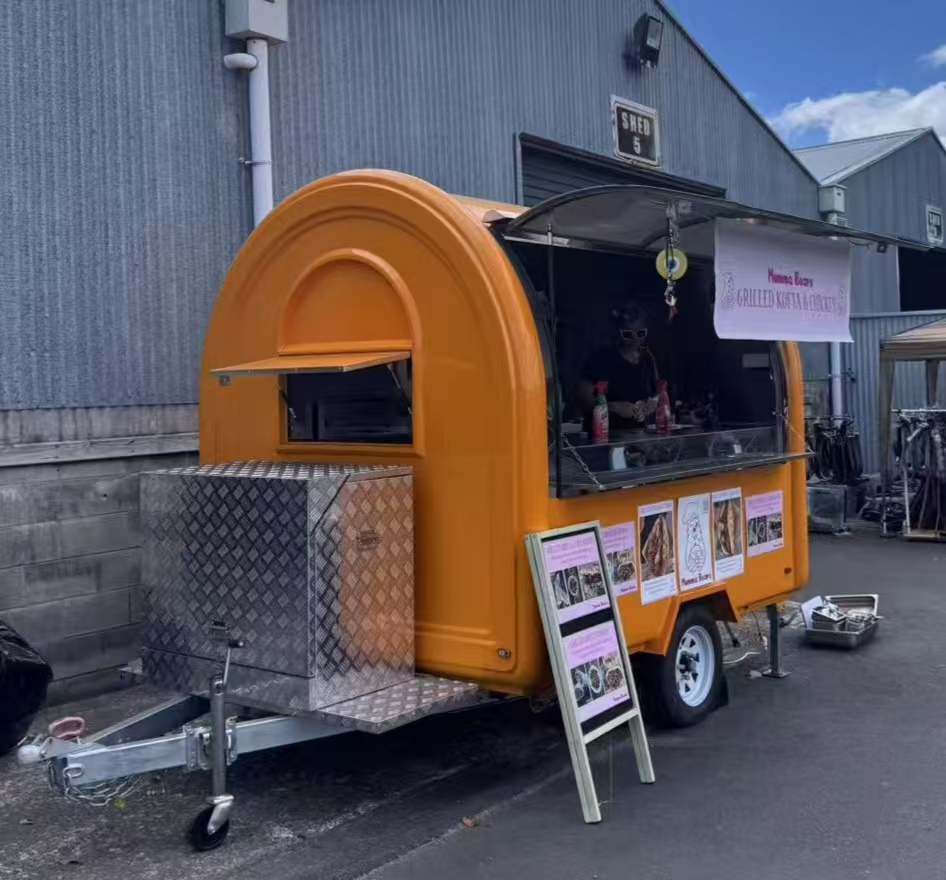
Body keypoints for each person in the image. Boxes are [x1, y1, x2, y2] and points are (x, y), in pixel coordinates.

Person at [578, 303, 659, 431]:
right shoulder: (600, 359)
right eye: (628, 334)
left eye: (641, 333)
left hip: (637, 434)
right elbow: (583, 400)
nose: (635, 339)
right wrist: (613, 407)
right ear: (617, 333)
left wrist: (652, 403)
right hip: (604, 434)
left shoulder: (647, 359)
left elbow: (657, 392)